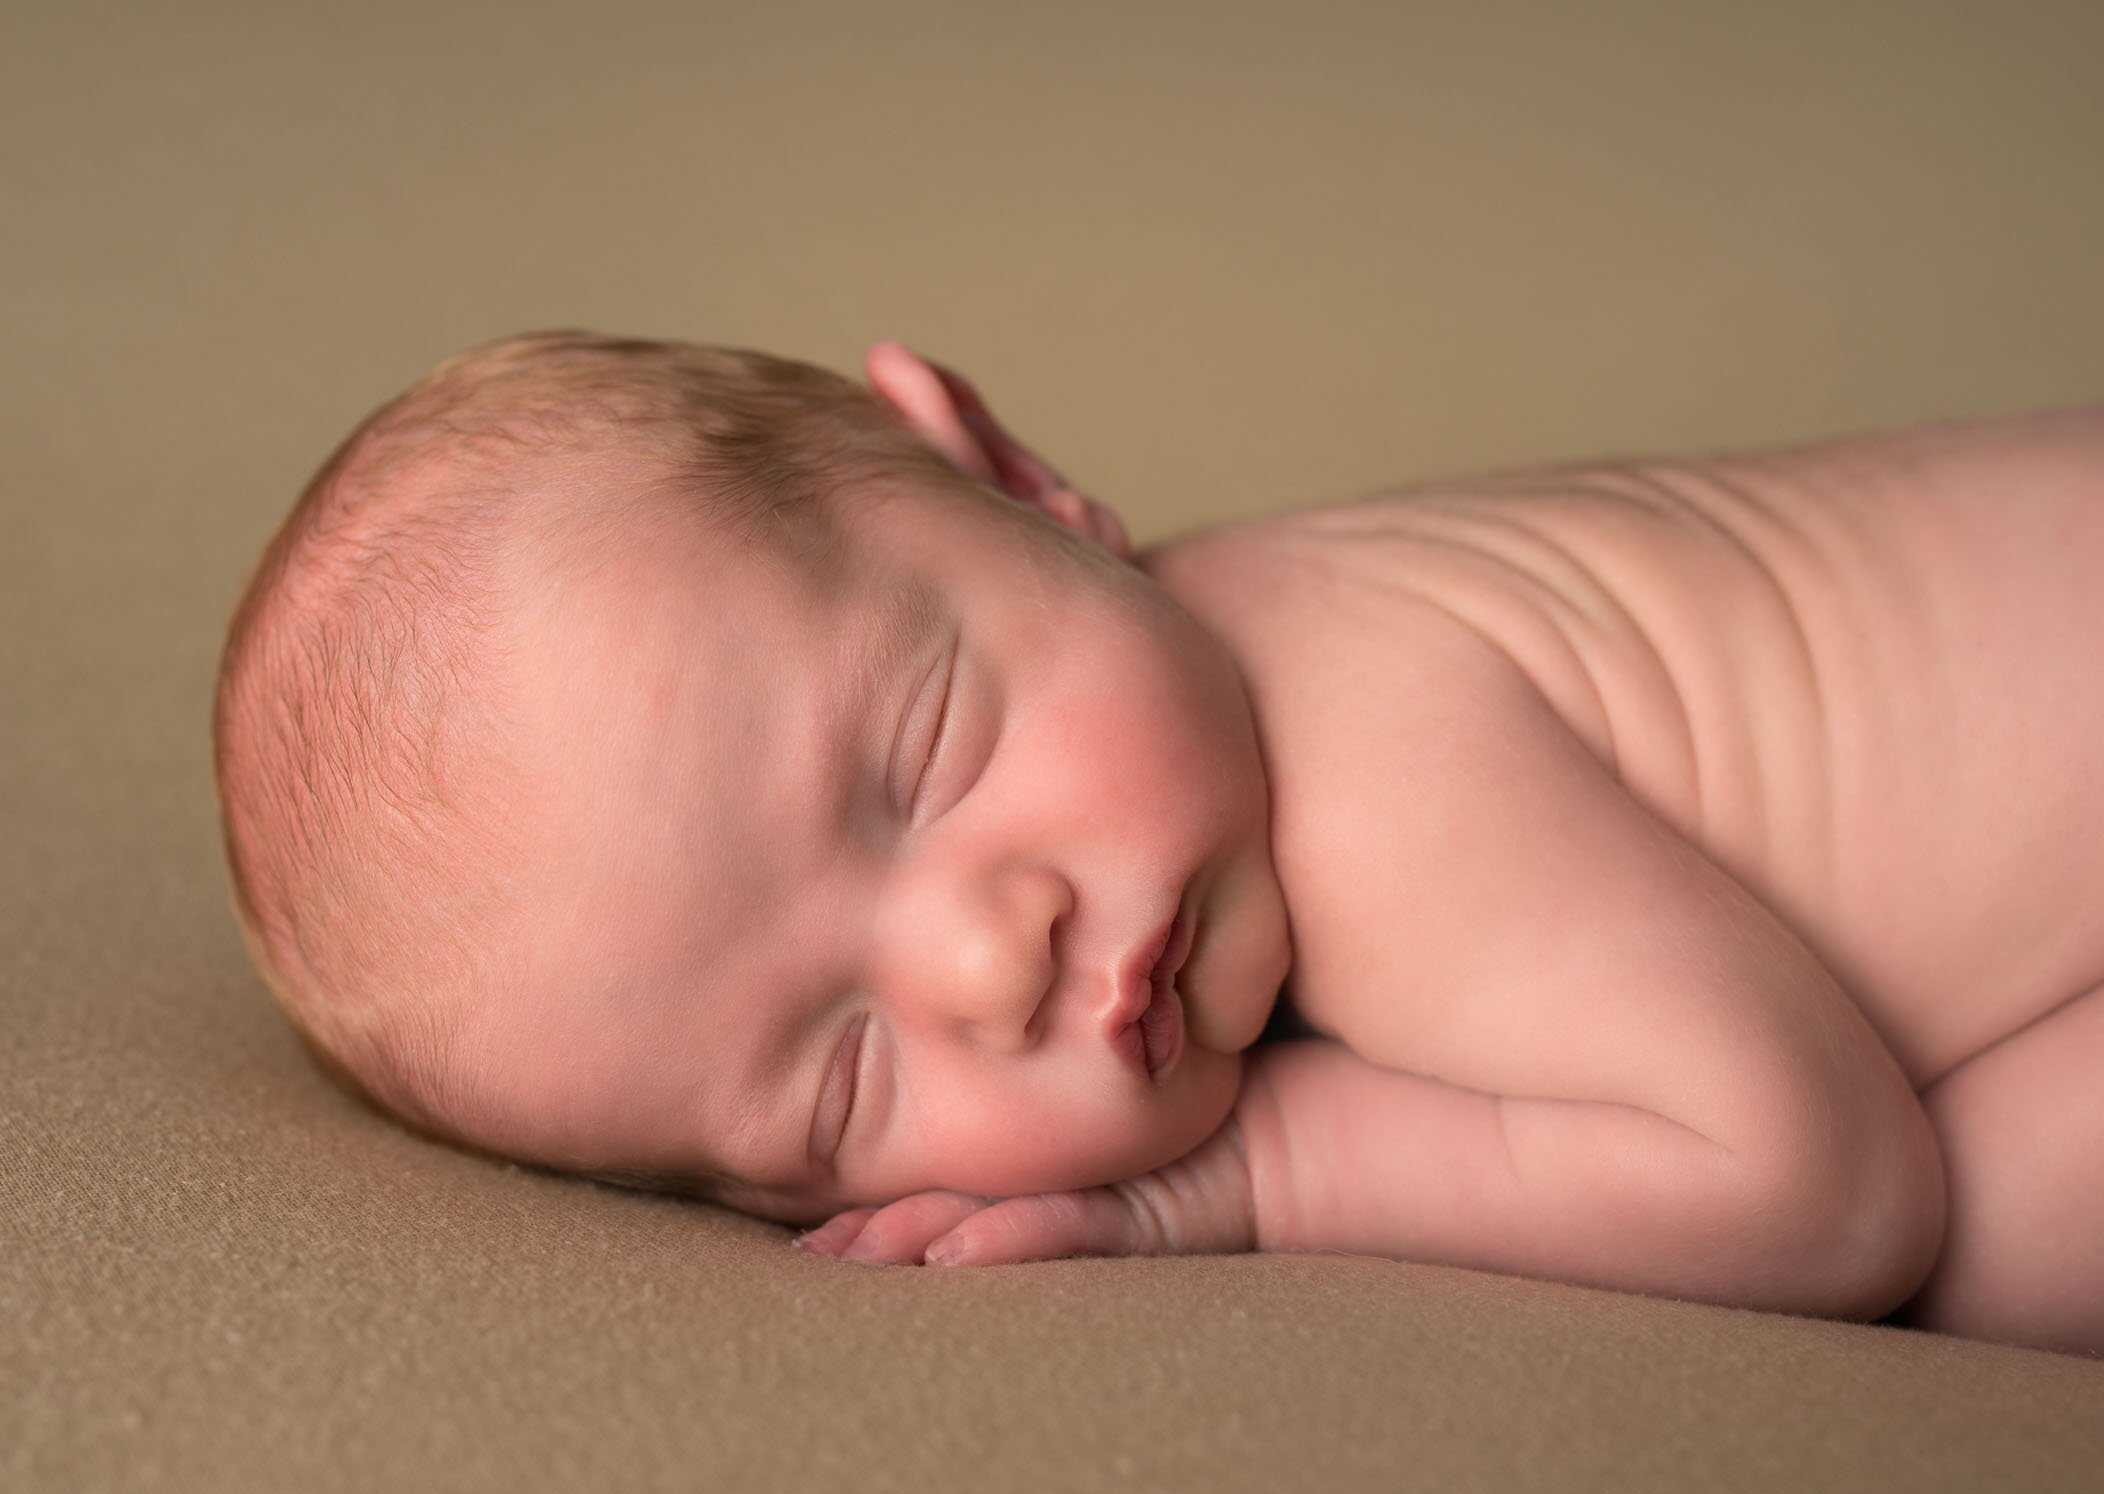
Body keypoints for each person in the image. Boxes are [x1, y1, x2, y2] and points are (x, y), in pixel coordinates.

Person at [212, 330, 2104, 1358]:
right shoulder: (1214, 751)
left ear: (1015, 481)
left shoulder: (1366, 767)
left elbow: (1822, 1194)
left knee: (1933, 1245)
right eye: (839, 1086)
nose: (983, 966)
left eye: (926, 750)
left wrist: (1247, 1181)